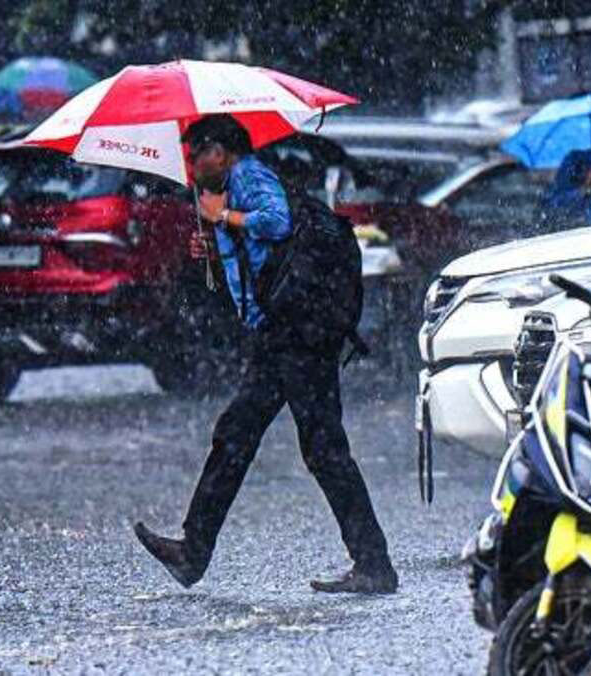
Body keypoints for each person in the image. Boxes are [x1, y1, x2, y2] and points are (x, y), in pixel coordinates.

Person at [133, 114, 398, 595]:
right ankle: (193, 552)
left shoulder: (250, 176)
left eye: (197, 156)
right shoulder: (230, 189)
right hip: (282, 334)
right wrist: (213, 245)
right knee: (241, 434)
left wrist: (224, 219)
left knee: (319, 448)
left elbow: (276, 222)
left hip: (299, 334)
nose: (192, 167)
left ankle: (373, 563)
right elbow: (251, 261)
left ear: (223, 151)